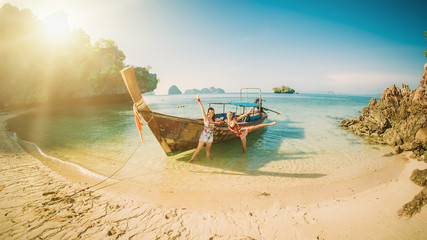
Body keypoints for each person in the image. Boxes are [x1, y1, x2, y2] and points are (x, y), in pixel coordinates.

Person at [188, 95, 220, 163]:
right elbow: (202, 109)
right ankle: (191, 160)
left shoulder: (214, 120)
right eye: (210, 112)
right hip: (204, 135)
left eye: (212, 112)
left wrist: (221, 121)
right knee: (198, 149)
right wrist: (199, 102)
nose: (211, 113)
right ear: (208, 112)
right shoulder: (206, 118)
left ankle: (208, 160)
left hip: (210, 136)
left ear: (214, 113)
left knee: (208, 150)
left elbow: (217, 121)